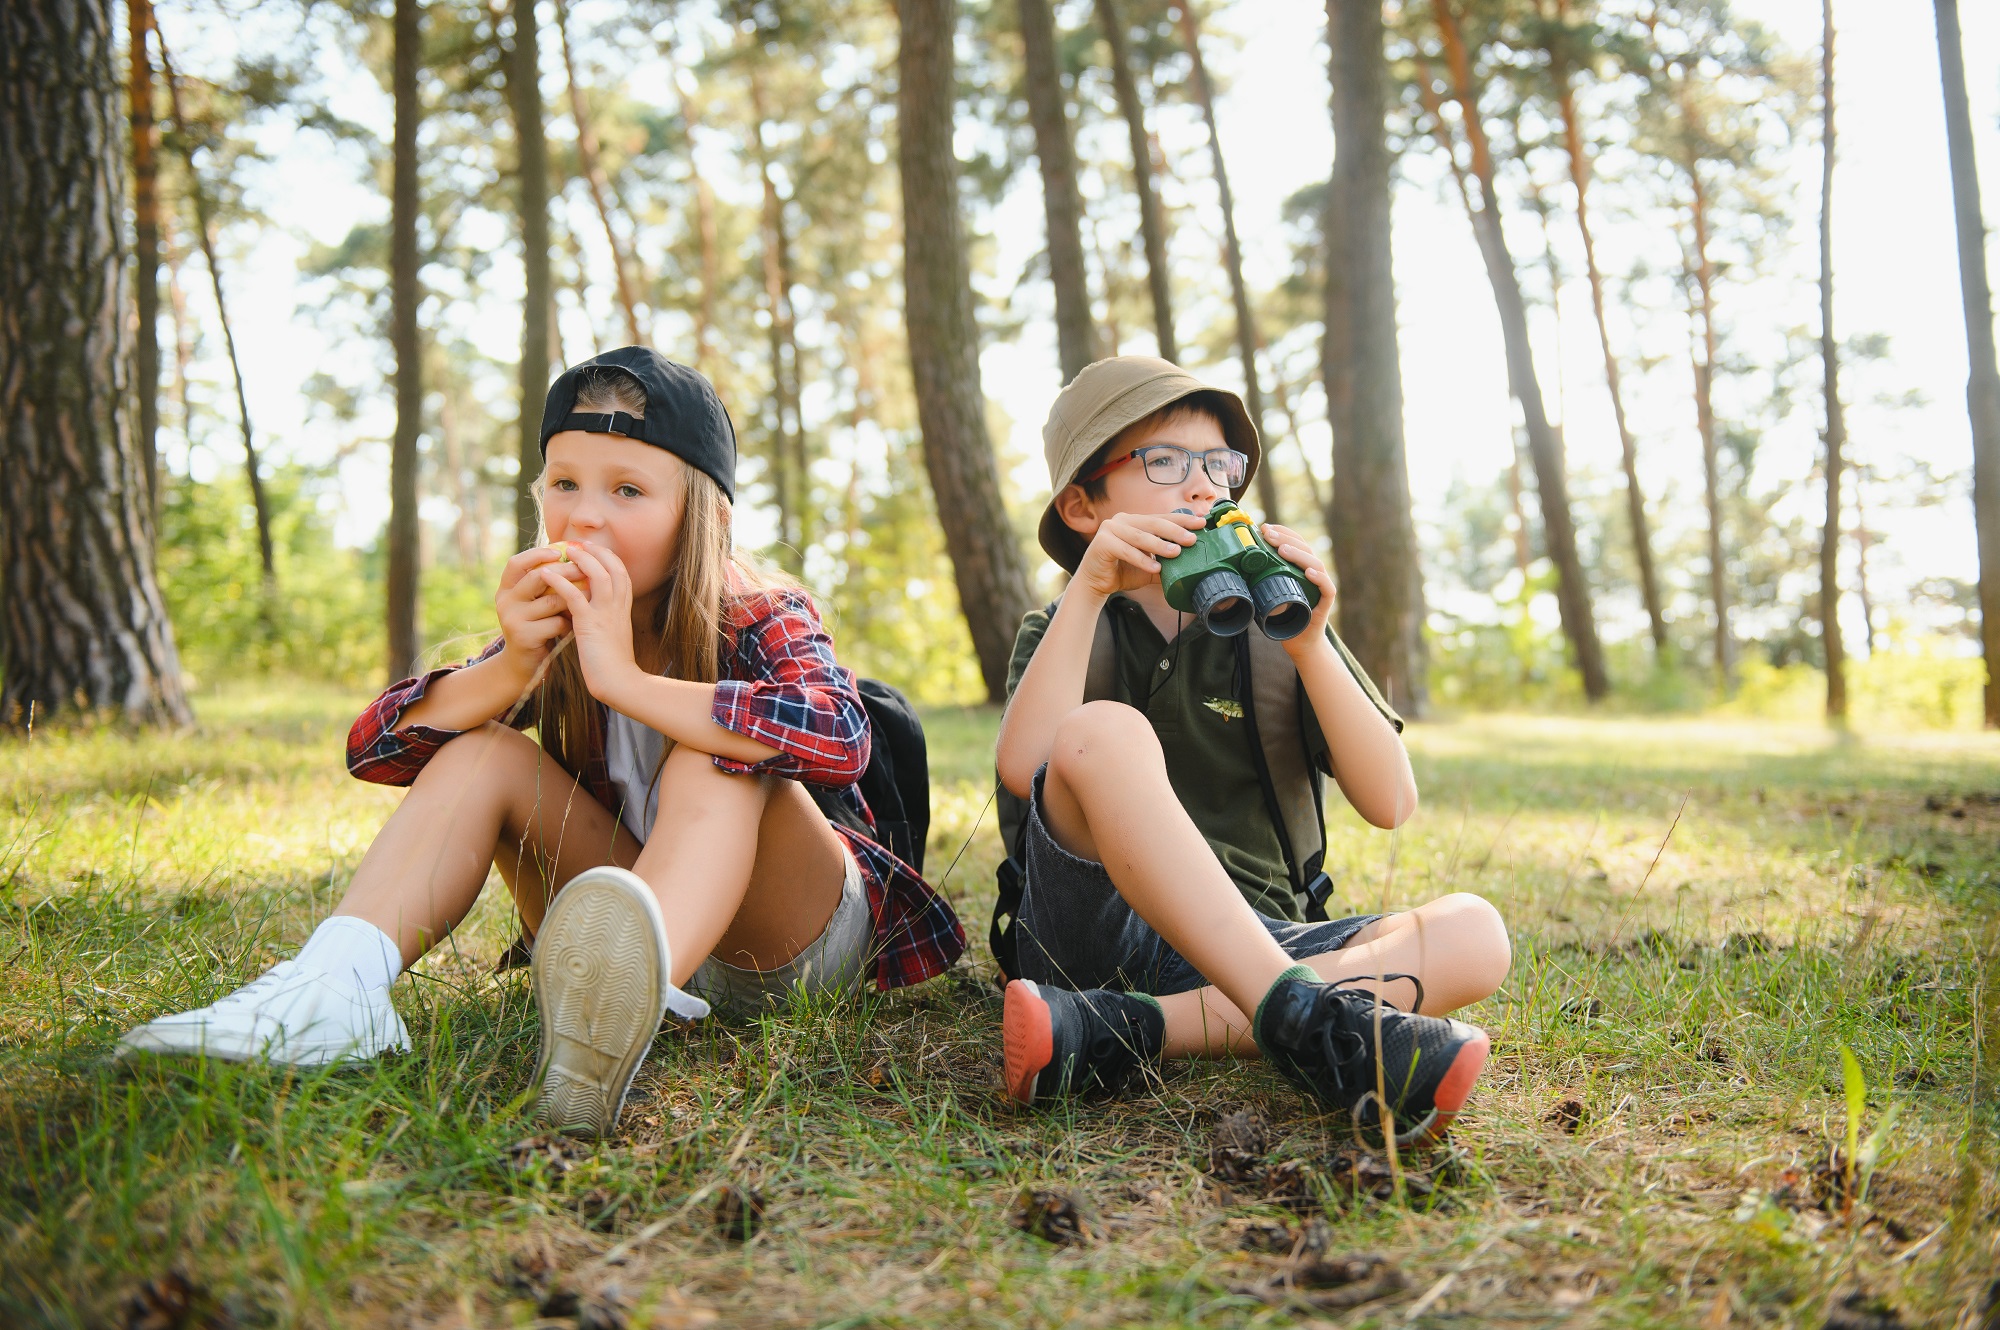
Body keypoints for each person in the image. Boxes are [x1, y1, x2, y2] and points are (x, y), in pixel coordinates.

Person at [119, 347, 964, 1138]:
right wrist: (513, 667)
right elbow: (375, 751)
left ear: (699, 515)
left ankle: (624, 1004)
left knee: (723, 753)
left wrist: (627, 682)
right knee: (480, 749)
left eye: (628, 491)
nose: (585, 518)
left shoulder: (759, 610)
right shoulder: (559, 620)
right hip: (637, 923)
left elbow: (840, 737)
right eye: (565, 483)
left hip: (791, 944)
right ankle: (333, 991)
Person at [995, 356, 1511, 1146]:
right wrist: (1090, 588)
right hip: (1097, 933)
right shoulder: (1068, 626)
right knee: (1102, 732)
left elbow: (1390, 801)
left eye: (1219, 466)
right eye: (1163, 463)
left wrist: (1309, 646)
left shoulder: (1280, 636)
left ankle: (1122, 1031)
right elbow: (1021, 769)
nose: (1202, 486)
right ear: (1080, 505)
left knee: (1476, 932)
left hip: (1261, 930)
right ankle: (1304, 1019)